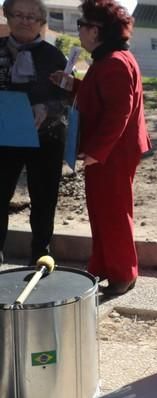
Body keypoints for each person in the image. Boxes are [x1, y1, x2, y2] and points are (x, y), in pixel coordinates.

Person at [51, 0, 150, 296]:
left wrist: (97, 151)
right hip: (110, 152)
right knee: (102, 210)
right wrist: (72, 86)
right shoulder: (108, 59)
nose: (79, 30)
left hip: (113, 154)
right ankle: (104, 266)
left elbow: (119, 112)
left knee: (113, 213)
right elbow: (100, 96)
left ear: (97, 31)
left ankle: (122, 274)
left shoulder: (115, 62)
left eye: (82, 25)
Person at [0, 0, 68, 266]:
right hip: (4, 138)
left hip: (47, 138)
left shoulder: (54, 57)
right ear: (7, 16)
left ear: (41, 21)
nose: (25, 21)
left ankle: (40, 254)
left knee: (44, 198)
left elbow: (65, 97)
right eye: (18, 14)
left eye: (32, 16)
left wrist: (46, 108)